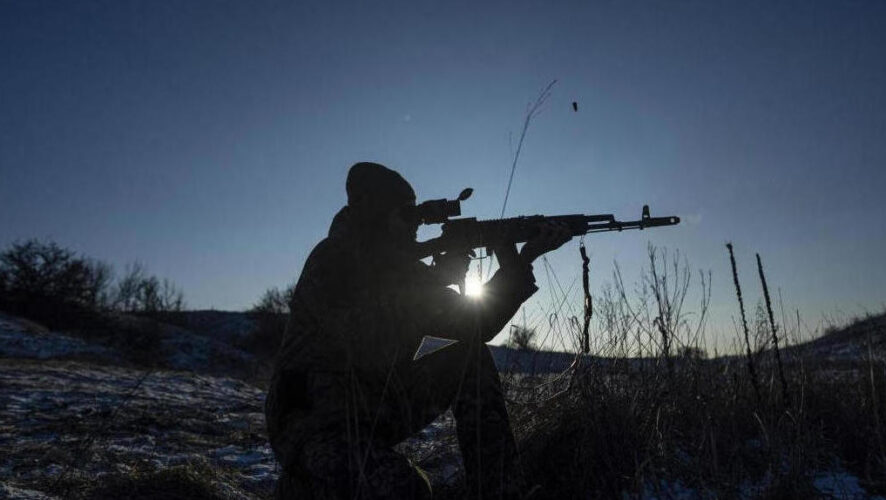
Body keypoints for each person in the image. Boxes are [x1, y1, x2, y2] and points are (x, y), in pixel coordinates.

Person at [265, 162, 571, 499]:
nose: (416, 227)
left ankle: (500, 490)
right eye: (406, 216)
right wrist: (434, 282)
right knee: (407, 490)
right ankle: (302, 484)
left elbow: (475, 326)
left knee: (468, 355)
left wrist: (519, 260)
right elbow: (365, 344)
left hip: (368, 409)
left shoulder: (405, 270)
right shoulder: (332, 260)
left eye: (417, 216)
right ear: (375, 216)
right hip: (312, 424)